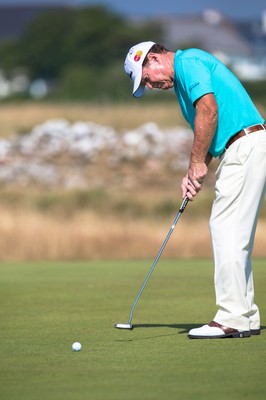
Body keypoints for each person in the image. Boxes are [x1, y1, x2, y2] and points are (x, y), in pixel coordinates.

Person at [124, 41, 266, 339]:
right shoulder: (182, 82)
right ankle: (246, 314)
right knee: (234, 233)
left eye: (146, 78)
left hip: (245, 146)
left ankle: (232, 317)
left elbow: (208, 109)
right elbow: (210, 127)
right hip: (241, 147)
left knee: (225, 229)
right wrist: (195, 172)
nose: (149, 86)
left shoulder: (188, 62)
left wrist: (197, 163)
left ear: (153, 58)